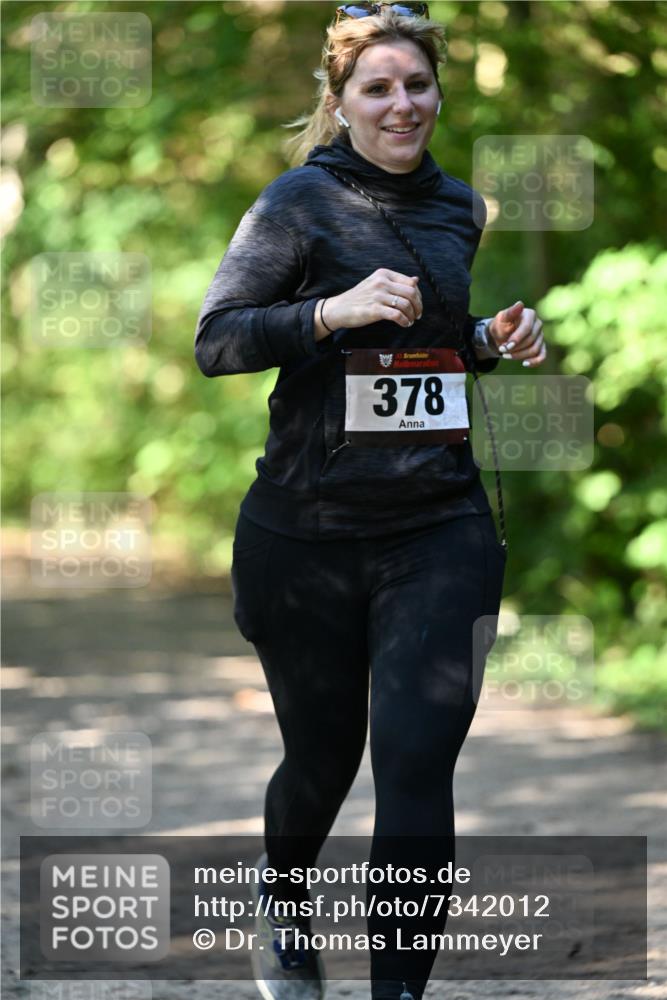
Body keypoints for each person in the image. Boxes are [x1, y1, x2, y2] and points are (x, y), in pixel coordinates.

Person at [194, 4, 547, 1000]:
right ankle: (283, 899)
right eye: (378, 88)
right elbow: (215, 340)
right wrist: (325, 313)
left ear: (439, 88)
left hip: (438, 524)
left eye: (417, 84)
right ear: (340, 101)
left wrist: (486, 340)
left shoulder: (457, 208)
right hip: (304, 535)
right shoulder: (294, 205)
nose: (403, 104)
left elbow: (423, 350)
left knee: (415, 759)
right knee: (321, 758)